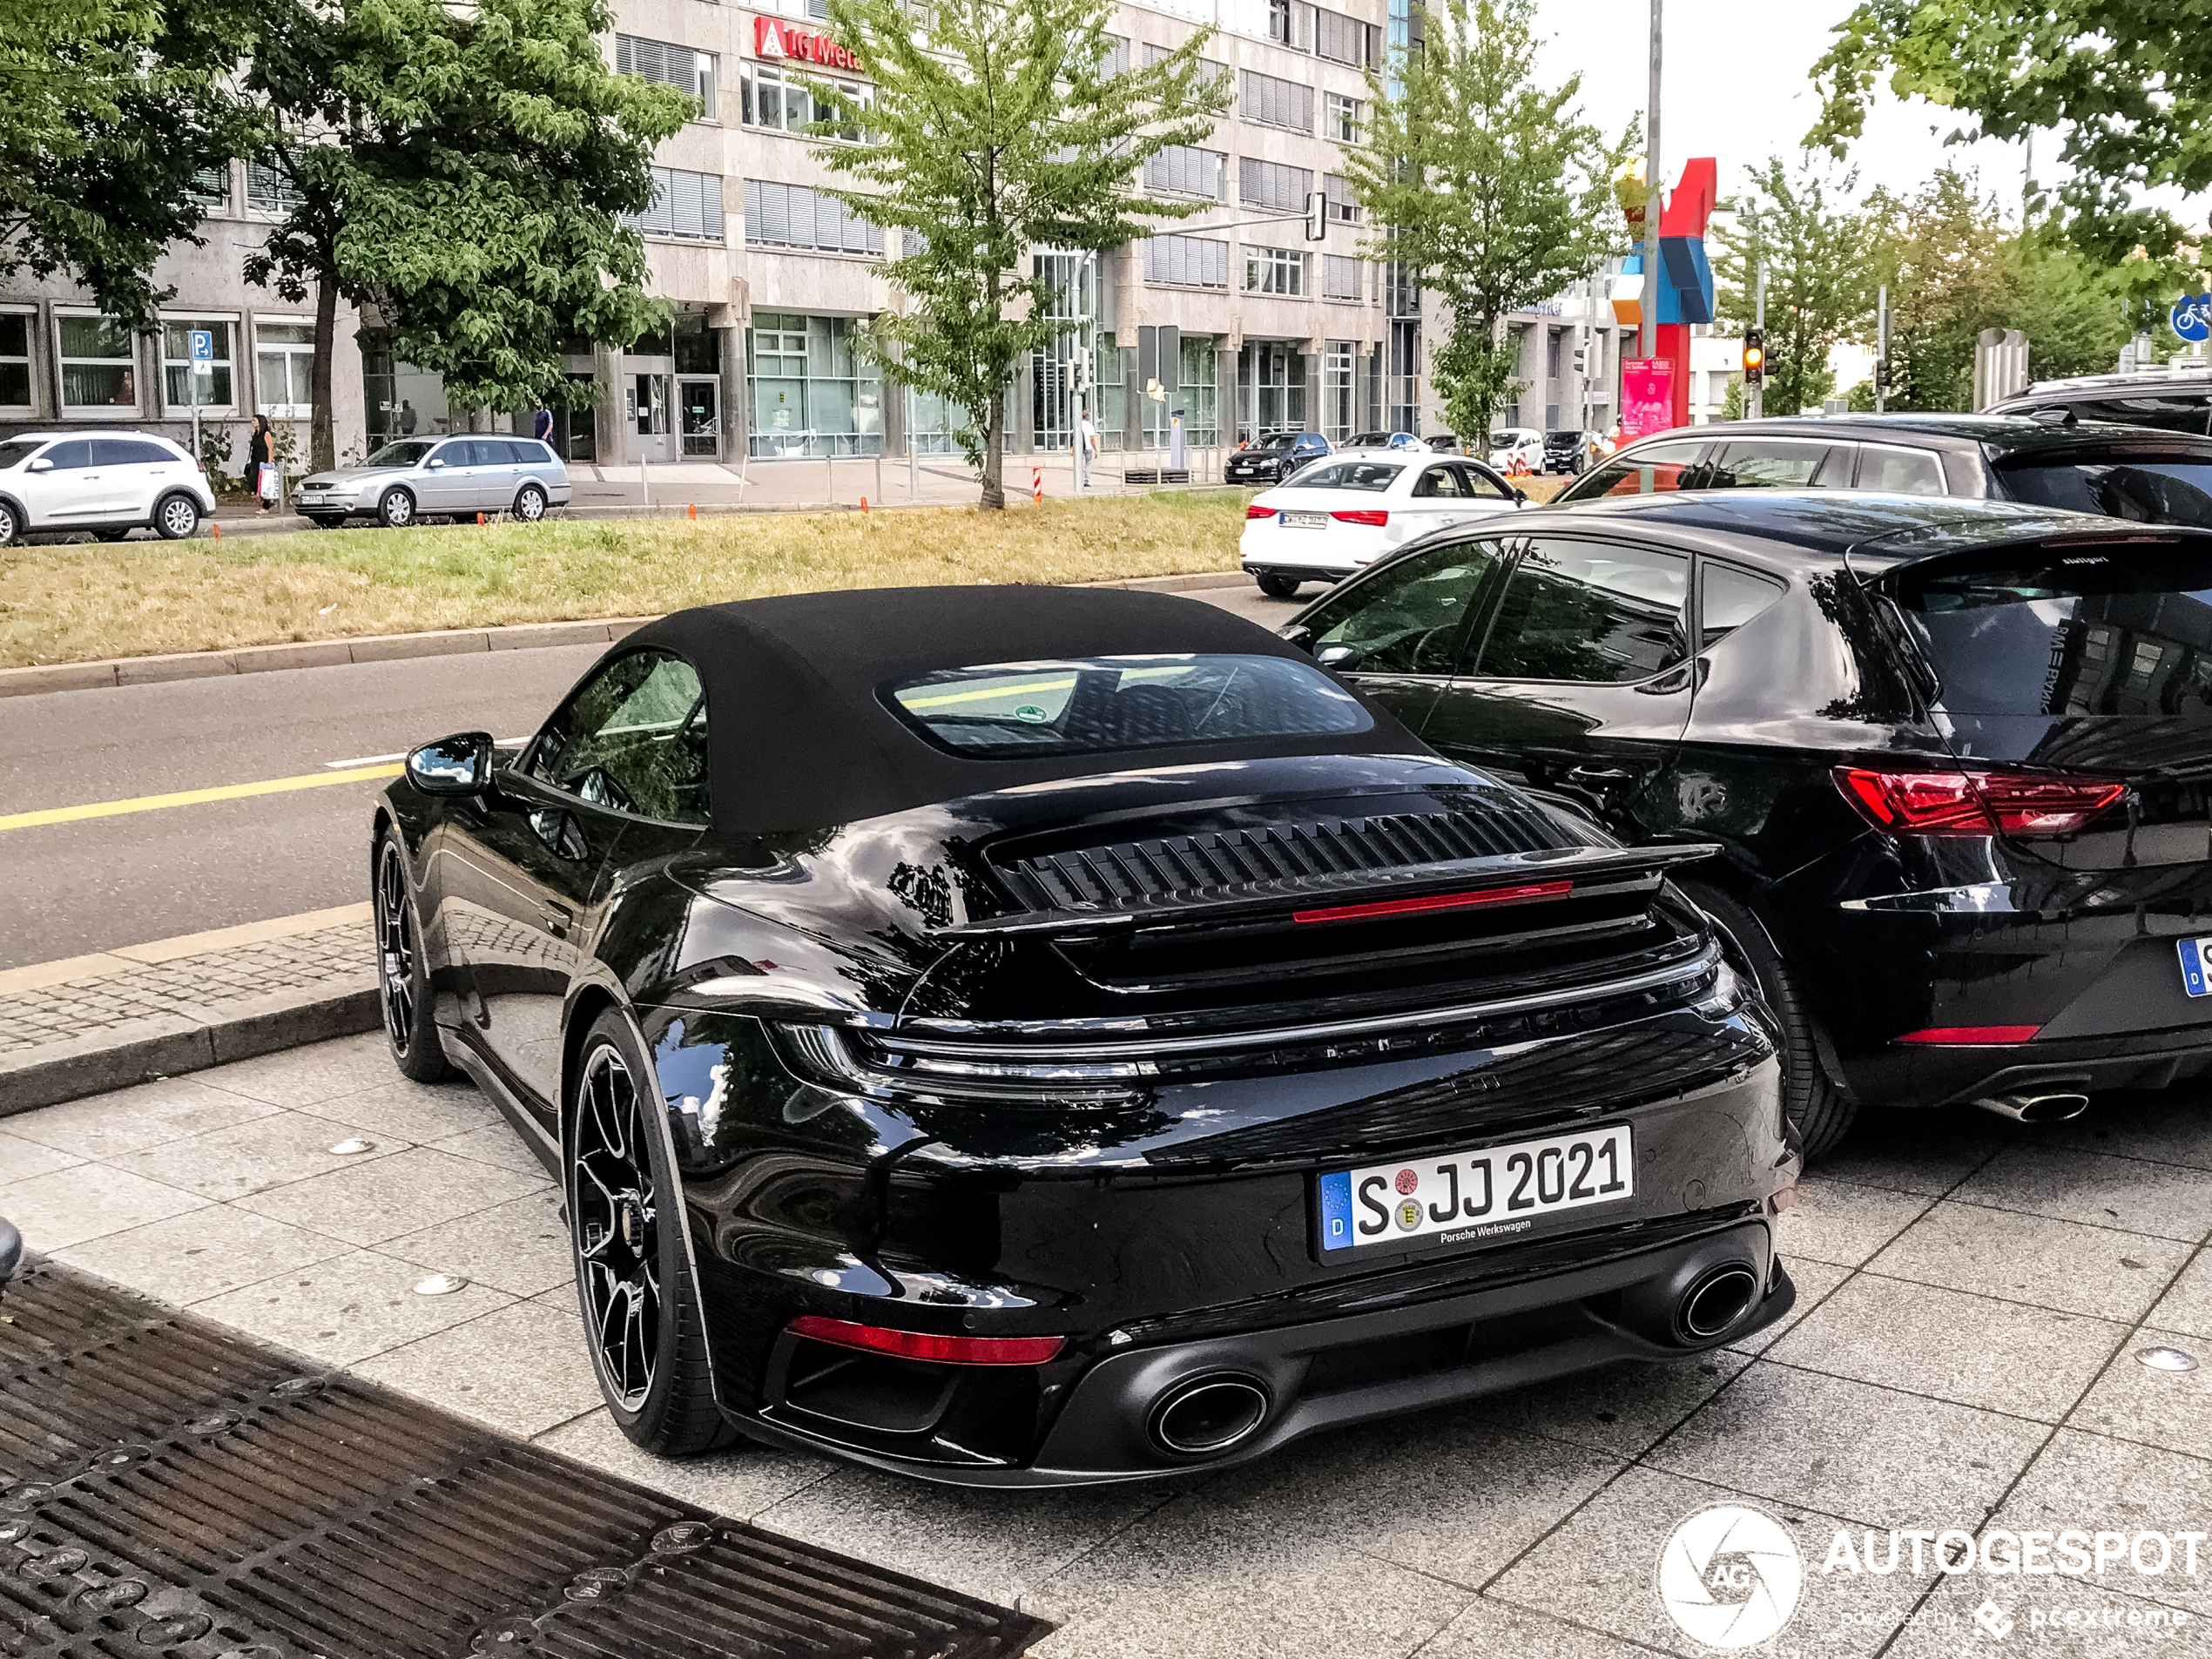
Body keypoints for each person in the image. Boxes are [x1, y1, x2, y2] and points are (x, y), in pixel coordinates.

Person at [246, 415, 274, 511]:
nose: (252, 422)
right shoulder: (256, 434)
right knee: (253, 481)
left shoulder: (266, 434)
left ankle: (267, 504)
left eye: (254, 420)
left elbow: (270, 449)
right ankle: (262, 498)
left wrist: (269, 463)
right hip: (255, 461)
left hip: (263, 461)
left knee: (264, 483)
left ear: (260, 422)